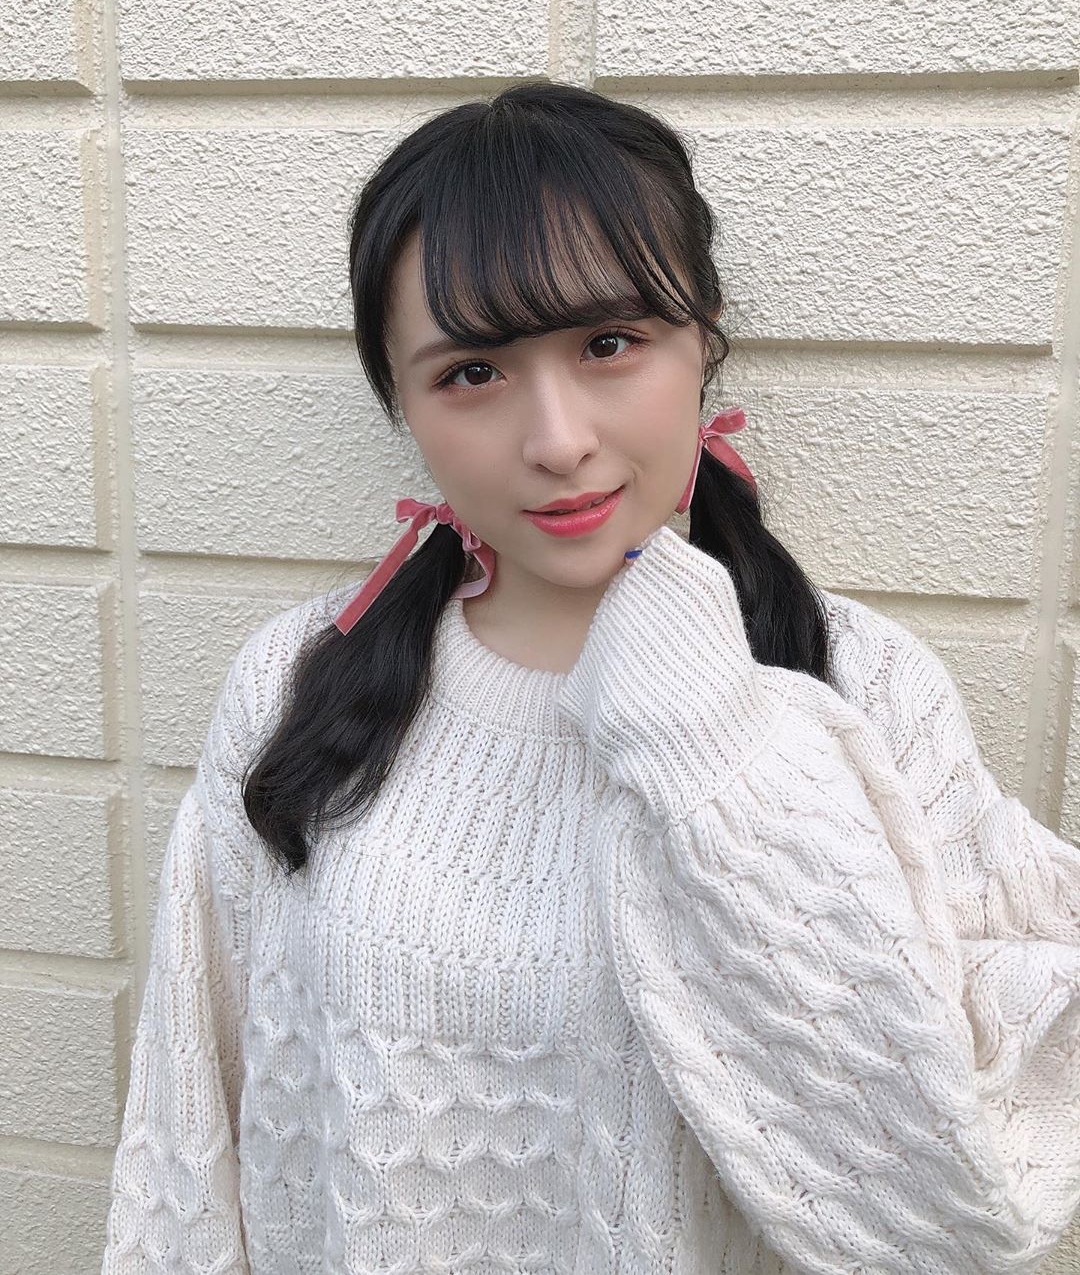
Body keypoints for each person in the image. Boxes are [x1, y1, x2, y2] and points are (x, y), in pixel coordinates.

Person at [101, 80, 1080, 1274]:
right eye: (473, 372)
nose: (557, 438)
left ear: (703, 340)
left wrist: (717, 742)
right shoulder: (297, 685)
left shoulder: (859, 684)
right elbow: (187, 1135)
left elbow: (945, 1204)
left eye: (610, 344)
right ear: (401, 399)